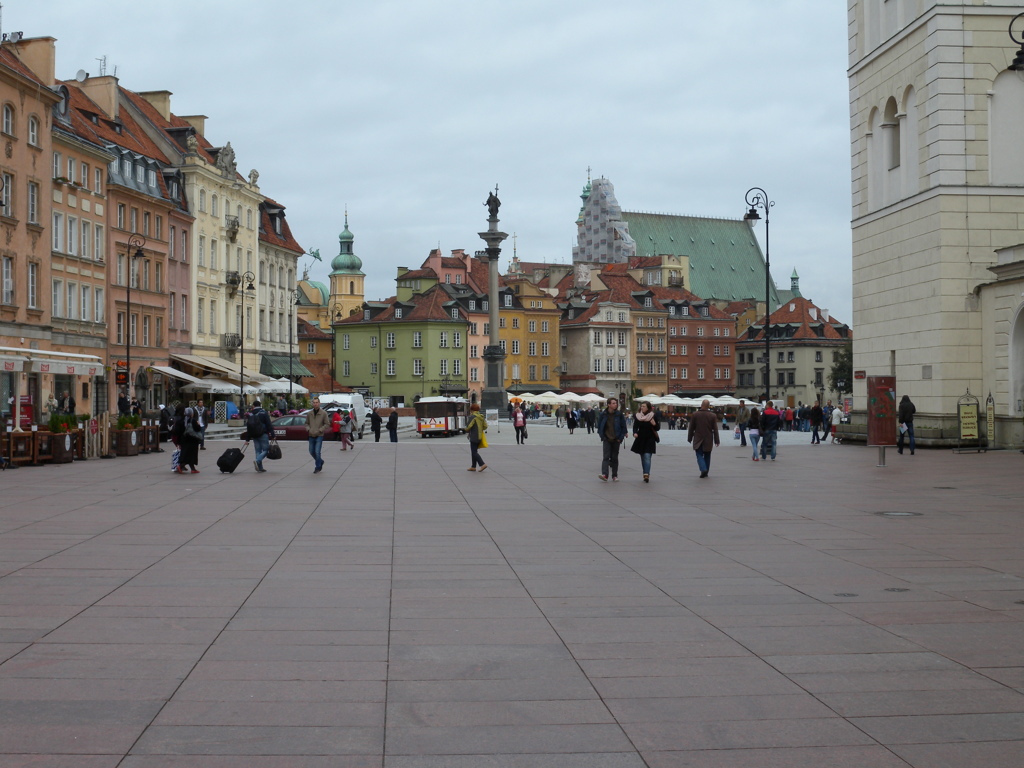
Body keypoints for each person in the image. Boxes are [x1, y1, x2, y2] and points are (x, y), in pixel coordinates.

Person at [596, 397, 628, 482]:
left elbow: (623, 427)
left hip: (616, 439)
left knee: (614, 458)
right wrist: (602, 437)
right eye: (613, 403)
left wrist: (620, 438)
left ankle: (614, 475)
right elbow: (599, 427)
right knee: (605, 457)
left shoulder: (619, 414)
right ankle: (605, 475)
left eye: (616, 403)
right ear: (609, 405)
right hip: (607, 439)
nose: (615, 405)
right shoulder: (603, 414)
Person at [687, 399, 720, 478]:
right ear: (708, 406)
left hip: (698, 438)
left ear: (701, 405)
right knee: (707, 455)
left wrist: (689, 438)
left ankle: (703, 469)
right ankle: (706, 471)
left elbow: (691, 427)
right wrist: (717, 440)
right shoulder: (712, 415)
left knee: (699, 454)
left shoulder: (695, 414)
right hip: (708, 438)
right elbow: (715, 429)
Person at [630, 401, 660, 483]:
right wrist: (635, 433)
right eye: (641, 406)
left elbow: (658, 428)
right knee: (643, 457)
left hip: (650, 439)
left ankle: (646, 474)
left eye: (644, 406)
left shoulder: (653, 416)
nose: (642, 407)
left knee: (647, 456)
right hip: (640, 439)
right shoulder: (638, 416)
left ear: (648, 407)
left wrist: (654, 424)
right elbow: (635, 426)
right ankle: (645, 472)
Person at [245, 399, 273, 472]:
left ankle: (260, 468)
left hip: (254, 435)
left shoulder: (251, 414)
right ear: (260, 405)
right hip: (263, 433)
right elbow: (268, 424)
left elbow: (249, 427)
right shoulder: (264, 413)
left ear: (253, 406)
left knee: (258, 450)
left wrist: (247, 439)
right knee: (266, 450)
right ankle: (258, 460)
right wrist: (272, 434)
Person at [305, 396, 330, 473]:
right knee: (311, 451)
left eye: (317, 403)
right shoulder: (309, 413)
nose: (315, 404)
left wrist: (320, 430)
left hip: (319, 435)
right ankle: (320, 461)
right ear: (312, 404)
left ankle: (318, 467)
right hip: (311, 434)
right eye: (314, 403)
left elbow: (327, 424)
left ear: (319, 403)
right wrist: (308, 429)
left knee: (317, 451)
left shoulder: (323, 413)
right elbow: (306, 423)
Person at [177, 406, 202, 474]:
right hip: (192, 440)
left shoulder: (182, 420)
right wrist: (198, 425)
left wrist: (178, 441)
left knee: (186, 453)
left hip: (184, 440)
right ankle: (181, 466)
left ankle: (193, 469)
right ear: (191, 413)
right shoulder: (192, 420)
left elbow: (178, 431)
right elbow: (197, 429)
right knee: (191, 454)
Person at [466, 403, 487, 471]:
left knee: (474, 452)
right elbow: (485, 426)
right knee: (474, 451)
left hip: (474, 436)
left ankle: (482, 464)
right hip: (479, 436)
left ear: (472, 410)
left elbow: (468, 426)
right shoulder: (481, 416)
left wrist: (465, 430)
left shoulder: (473, 417)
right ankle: (473, 466)